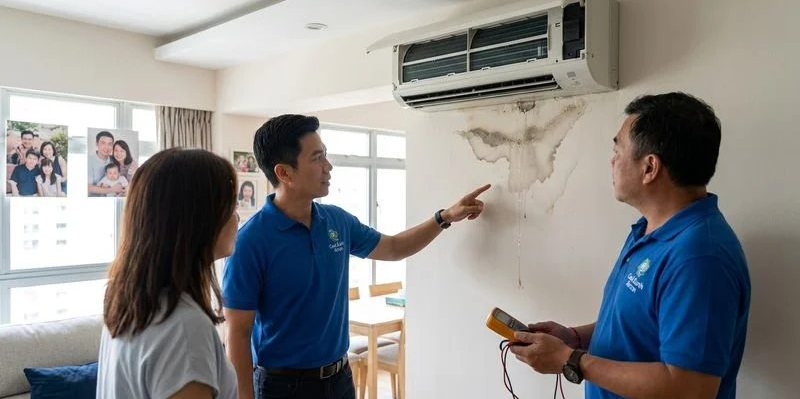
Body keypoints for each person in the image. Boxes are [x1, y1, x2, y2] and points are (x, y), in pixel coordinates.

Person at [222, 114, 490, 399]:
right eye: (317, 158)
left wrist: (445, 217)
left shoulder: (336, 221)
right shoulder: (250, 241)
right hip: (283, 387)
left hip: (340, 379)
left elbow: (394, 247)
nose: (329, 166)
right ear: (285, 173)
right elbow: (237, 334)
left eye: (325, 155)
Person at [509, 92, 751, 399]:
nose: (612, 160)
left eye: (618, 150)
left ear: (650, 168)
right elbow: (636, 328)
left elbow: (691, 389)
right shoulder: (648, 231)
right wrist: (573, 338)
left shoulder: (700, 258)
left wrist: (570, 360)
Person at [97, 148, 239, 399]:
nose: (237, 217)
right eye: (229, 206)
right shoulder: (184, 328)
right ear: (198, 218)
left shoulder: (127, 300)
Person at [88, 130, 123, 197]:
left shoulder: (114, 160)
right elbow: (87, 187)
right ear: (97, 144)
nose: (106, 147)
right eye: (103, 143)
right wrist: (111, 189)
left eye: (110, 144)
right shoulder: (89, 161)